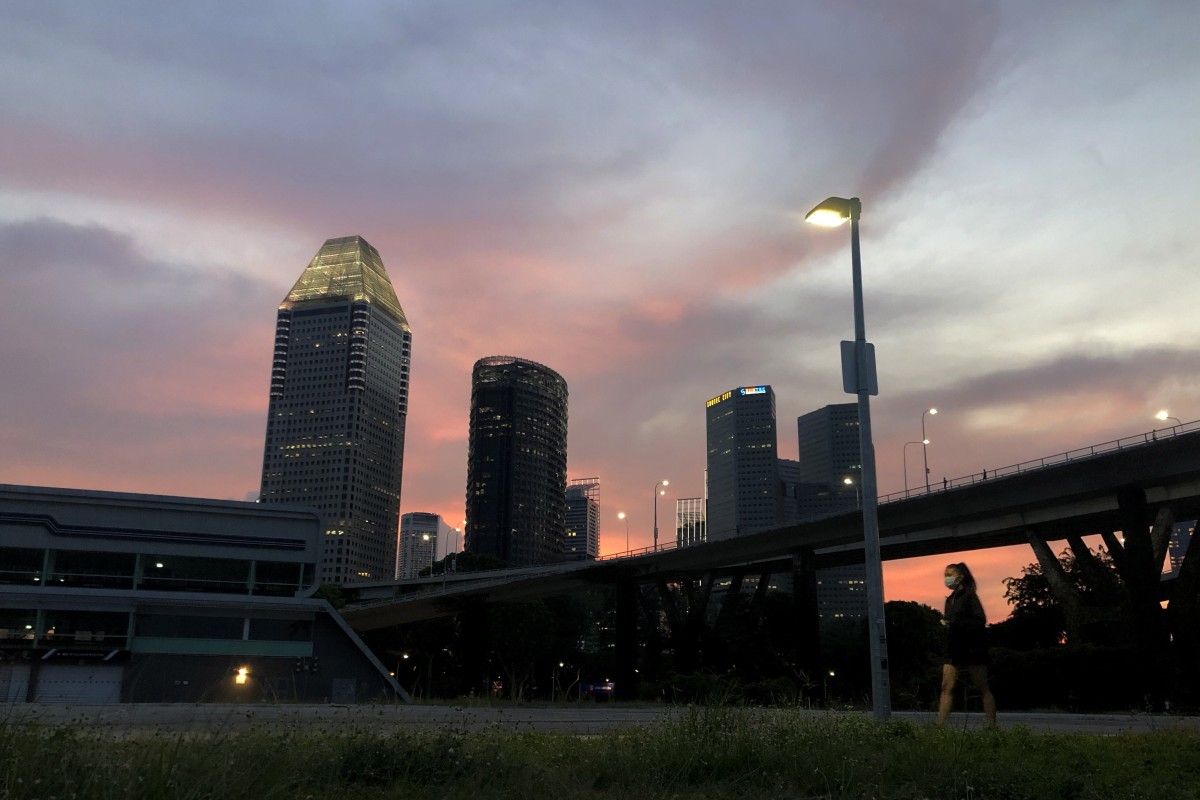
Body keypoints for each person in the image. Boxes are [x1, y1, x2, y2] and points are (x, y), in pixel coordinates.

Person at [938, 562, 997, 726]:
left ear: (960, 577)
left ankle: (991, 724)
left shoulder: (970, 596)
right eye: (945, 575)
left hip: (972, 648)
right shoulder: (950, 600)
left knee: (982, 687)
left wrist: (956, 624)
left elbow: (980, 620)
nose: (946, 578)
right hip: (953, 648)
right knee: (946, 686)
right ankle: (940, 726)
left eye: (949, 575)